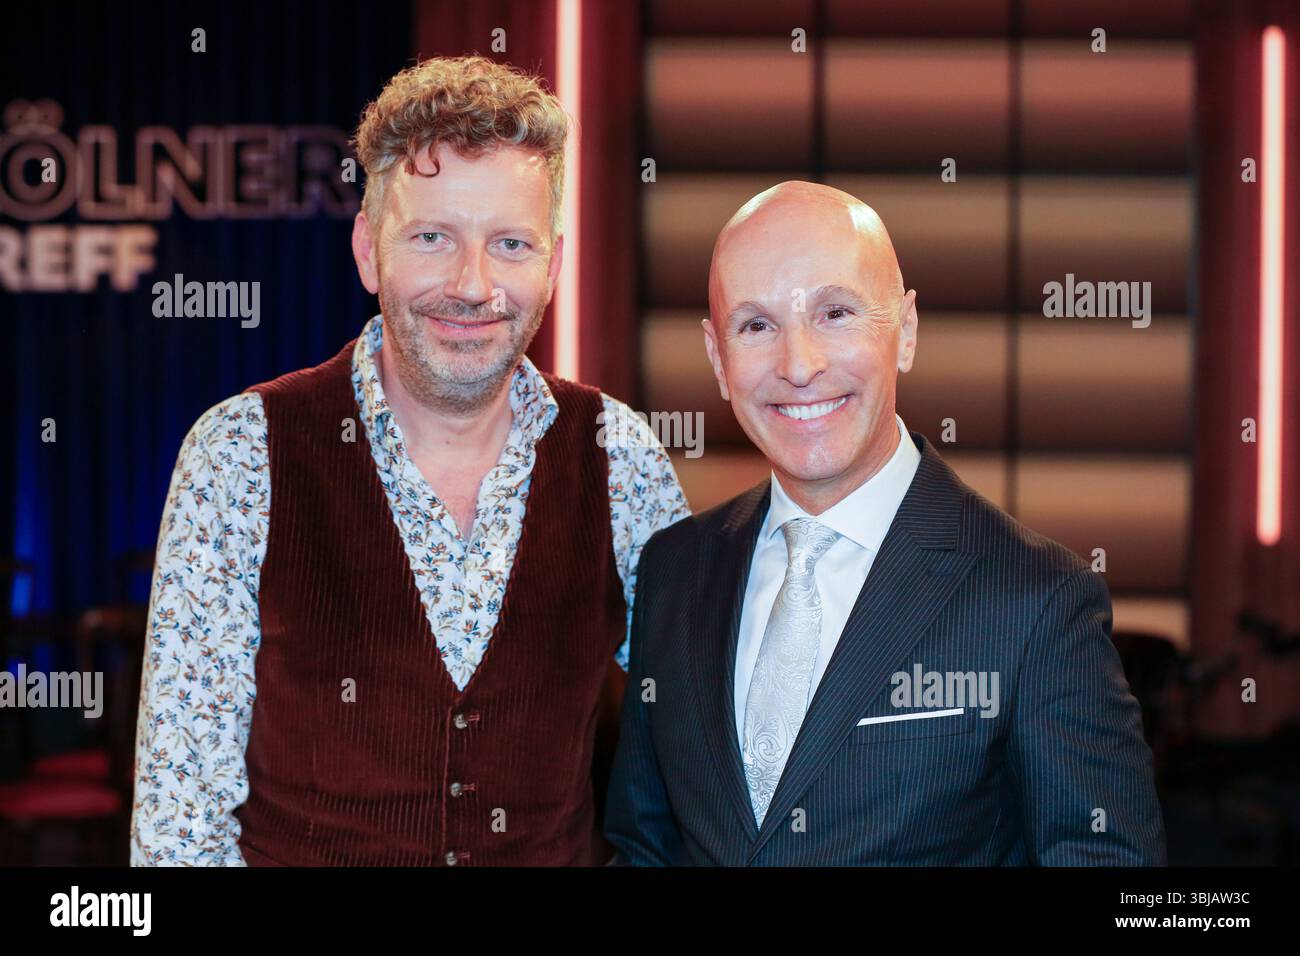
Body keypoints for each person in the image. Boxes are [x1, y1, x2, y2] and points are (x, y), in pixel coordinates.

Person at [131, 56, 688, 866]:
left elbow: (698, 746)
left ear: (554, 265)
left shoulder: (620, 456)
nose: (473, 284)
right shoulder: (242, 453)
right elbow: (179, 818)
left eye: (509, 243)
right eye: (432, 237)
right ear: (368, 250)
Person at [604, 181, 1166, 865]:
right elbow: (642, 847)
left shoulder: (1036, 599)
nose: (799, 365)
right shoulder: (675, 570)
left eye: (836, 313)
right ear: (718, 360)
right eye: (756, 325)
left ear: (906, 331)